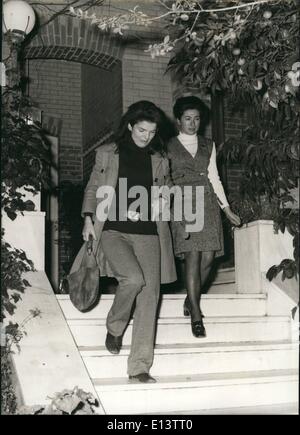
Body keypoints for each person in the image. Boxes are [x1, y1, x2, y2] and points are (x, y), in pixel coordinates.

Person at [70, 101, 176, 383]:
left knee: (150, 295)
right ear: (130, 126)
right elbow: (93, 188)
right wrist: (88, 218)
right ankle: (115, 326)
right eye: (142, 130)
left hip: (148, 233)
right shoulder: (107, 154)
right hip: (113, 230)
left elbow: (165, 190)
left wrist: (164, 196)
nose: (147, 137)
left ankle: (139, 366)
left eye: (152, 132)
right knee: (132, 279)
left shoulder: (160, 158)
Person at [167, 96, 241, 338]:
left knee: (209, 257)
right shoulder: (167, 146)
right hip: (183, 203)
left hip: (207, 202)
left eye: (197, 118)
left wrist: (227, 209)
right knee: (193, 257)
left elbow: (214, 177)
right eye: (188, 118)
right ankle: (196, 315)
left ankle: (190, 299)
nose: (193, 123)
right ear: (178, 120)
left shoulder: (208, 144)